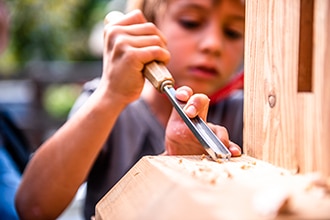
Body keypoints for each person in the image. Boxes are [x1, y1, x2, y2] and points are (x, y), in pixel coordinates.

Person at [15, 0, 245, 219]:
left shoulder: (244, 114)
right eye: (190, 22)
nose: (213, 44)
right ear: (147, 27)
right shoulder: (108, 106)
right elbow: (33, 208)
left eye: (233, 32)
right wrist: (111, 95)